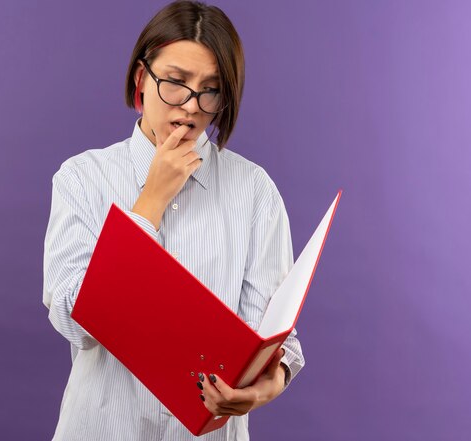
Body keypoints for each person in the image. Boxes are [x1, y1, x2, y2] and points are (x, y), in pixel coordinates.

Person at [42, 1, 305, 440]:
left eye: (211, 90)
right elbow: (74, 322)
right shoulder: (82, 178)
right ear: (142, 79)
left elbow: (276, 342)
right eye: (176, 83)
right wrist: (150, 202)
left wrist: (258, 393)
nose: (190, 107)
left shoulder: (254, 190)